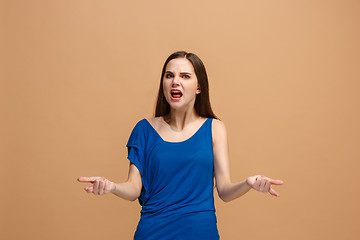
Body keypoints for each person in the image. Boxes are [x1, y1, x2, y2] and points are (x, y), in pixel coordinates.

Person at [78, 51, 284, 239]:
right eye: (169, 76)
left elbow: (224, 191)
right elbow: (133, 188)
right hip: (153, 232)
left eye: (185, 76)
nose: (175, 81)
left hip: (201, 233)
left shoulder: (215, 128)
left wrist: (248, 183)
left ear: (199, 87)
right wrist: (111, 187)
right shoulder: (144, 129)